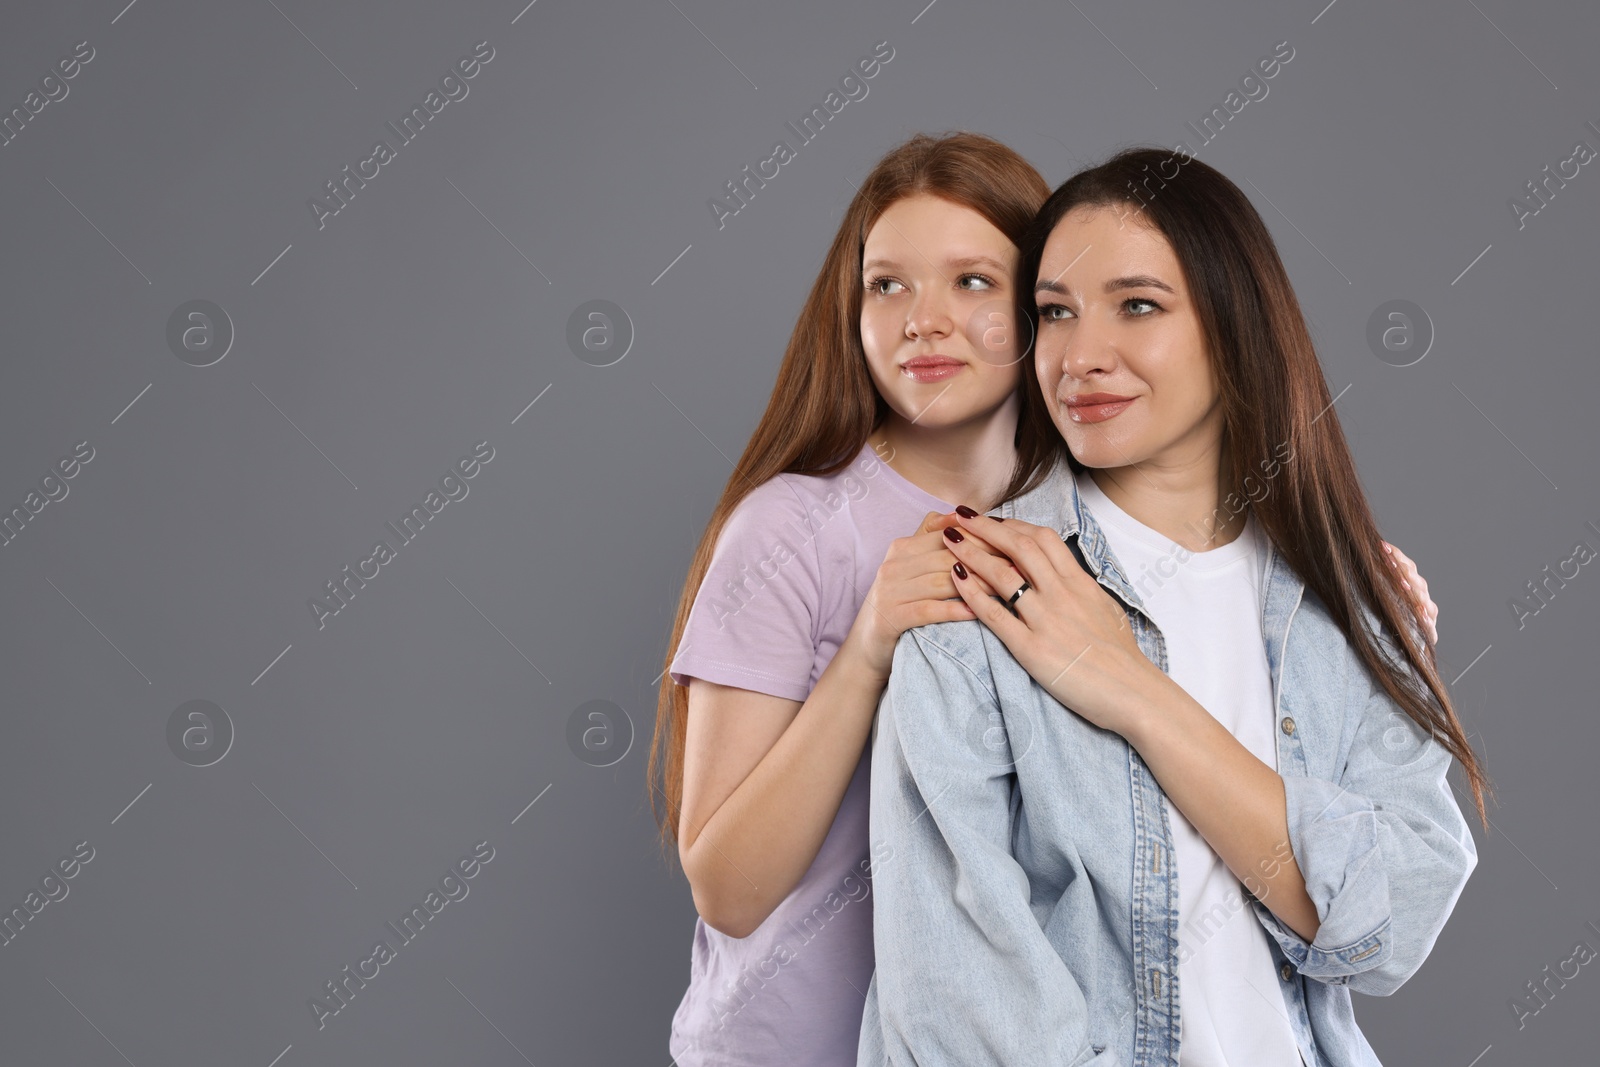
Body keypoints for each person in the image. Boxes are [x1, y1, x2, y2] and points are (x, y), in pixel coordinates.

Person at [648, 132, 1443, 1067]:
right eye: (886, 285)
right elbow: (741, 894)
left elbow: (1394, 908)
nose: (923, 322)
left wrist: (1338, 574)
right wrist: (871, 642)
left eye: (976, 284)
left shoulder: (1283, 579)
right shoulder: (874, 553)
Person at [855, 146, 1490, 1067]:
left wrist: (1131, 690)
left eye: (1138, 305)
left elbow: (1392, 921)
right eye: (1055, 313)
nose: (1081, 355)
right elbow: (953, 1006)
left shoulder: (1349, 601)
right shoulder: (979, 591)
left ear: (1236, 328)